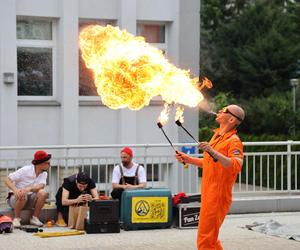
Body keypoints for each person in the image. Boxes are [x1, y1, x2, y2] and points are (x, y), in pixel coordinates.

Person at [176, 105, 245, 250]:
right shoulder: (217, 136)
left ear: (232, 119)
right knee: (210, 239)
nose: (220, 111)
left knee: (205, 239)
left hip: (218, 196)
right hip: (208, 194)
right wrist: (189, 159)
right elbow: (210, 163)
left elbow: (236, 165)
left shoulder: (234, 141)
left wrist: (212, 150)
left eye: (224, 110)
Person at [5, 150, 51, 228]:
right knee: (22, 193)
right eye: (48, 163)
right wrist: (15, 190)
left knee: (43, 193)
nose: (49, 165)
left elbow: (41, 186)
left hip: (30, 199)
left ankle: (34, 218)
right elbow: (7, 180)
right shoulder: (25, 170)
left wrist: (29, 189)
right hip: (16, 200)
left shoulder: (44, 173)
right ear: (40, 163)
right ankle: (16, 219)